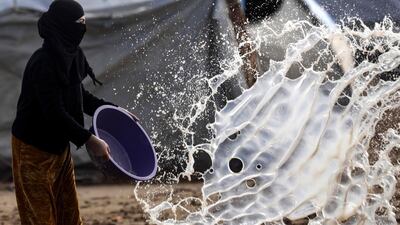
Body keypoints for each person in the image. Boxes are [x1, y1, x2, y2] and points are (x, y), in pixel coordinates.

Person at [11, 1, 133, 224]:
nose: (83, 27)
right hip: (33, 150)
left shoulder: (71, 54)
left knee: (68, 214)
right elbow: (54, 113)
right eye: (80, 22)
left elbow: (79, 96)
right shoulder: (44, 62)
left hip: (59, 149)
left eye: (84, 21)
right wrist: (89, 139)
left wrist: (114, 111)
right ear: (63, 25)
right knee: (40, 216)